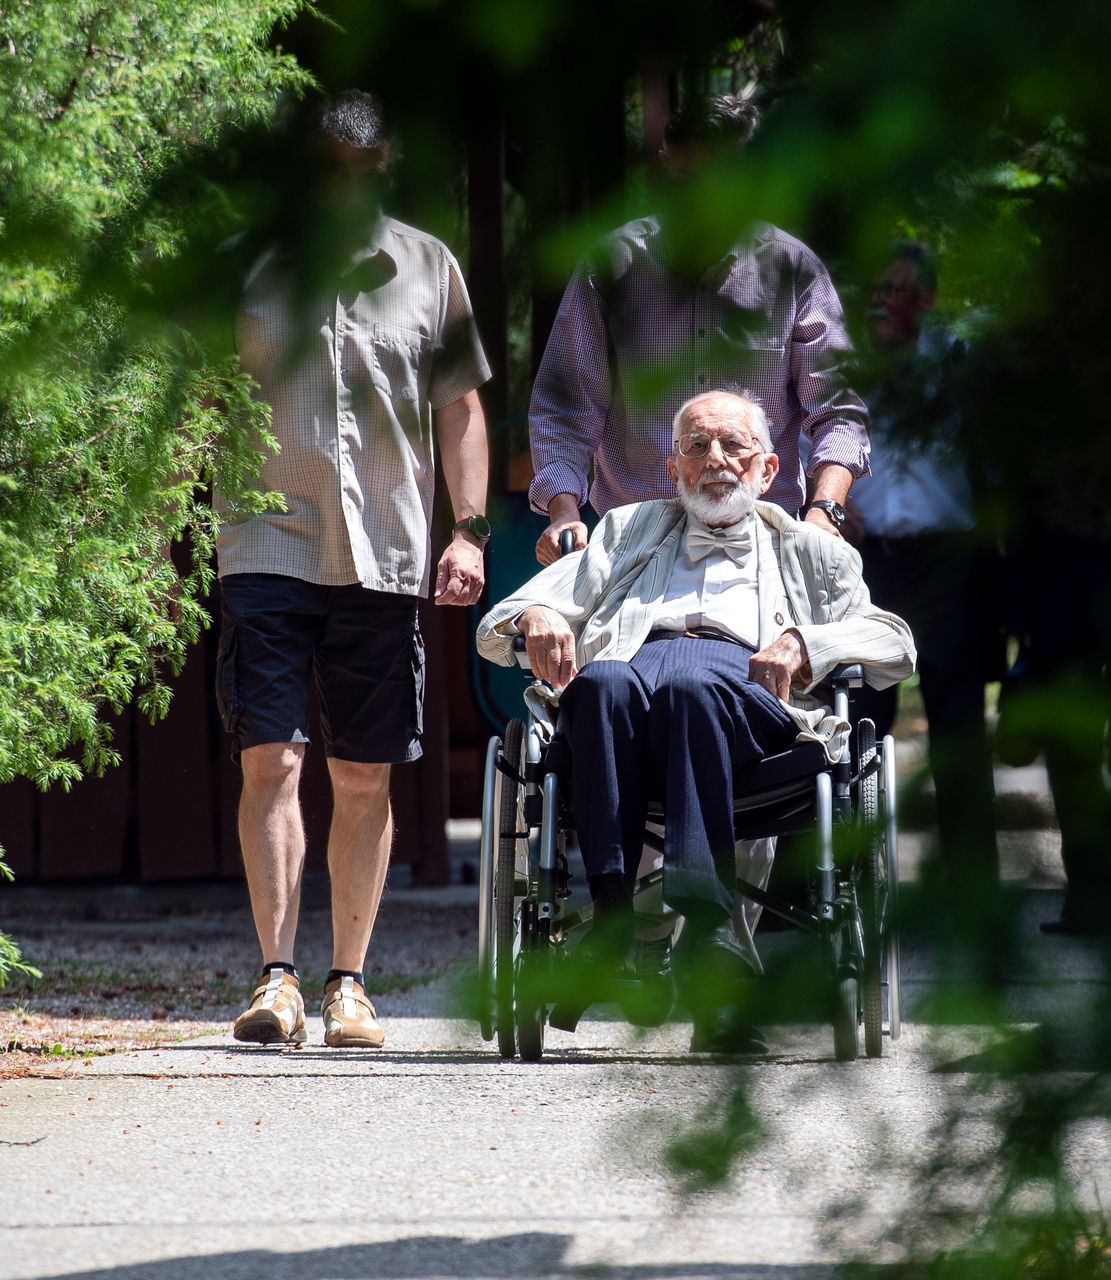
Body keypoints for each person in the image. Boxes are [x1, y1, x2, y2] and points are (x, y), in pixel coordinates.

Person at [477, 389, 915, 1052]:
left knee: (691, 684)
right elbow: (497, 624)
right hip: (631, 692)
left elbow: (896, 642)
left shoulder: (812, 551)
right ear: (674, 468)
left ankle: (710, 941)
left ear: (768, 469)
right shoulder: (628, 531)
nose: (715, 459)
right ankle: (616, 930)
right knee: (599, 682)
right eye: (697, 446)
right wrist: (537, 614)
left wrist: (806, 643)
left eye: (734, 445)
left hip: (748, 705)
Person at [217, 91, 492, 1047]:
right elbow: (196, 402)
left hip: (386, 548)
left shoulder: (429, 267)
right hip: (265, 536)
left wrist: (469, 532)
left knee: (365, 775)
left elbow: (460, 408)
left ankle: (349, 984)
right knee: (272, 757)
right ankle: (276, 979)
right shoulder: (246, 265)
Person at [527, 94, 870, 565]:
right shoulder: (611, 266)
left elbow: (837, 412)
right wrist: (564, 512)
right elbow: (565, 408)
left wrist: (824, 511)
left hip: (763, 542)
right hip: (635, 538)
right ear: (665, 164)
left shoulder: (794, 270)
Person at [846, 244, 1002, 897]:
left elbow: (996, 461)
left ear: (928, 300)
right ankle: (846, 886)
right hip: (865, 565)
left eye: (895, 291)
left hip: (949, 561)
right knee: (854, 723)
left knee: (958, 726)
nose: (879, 304)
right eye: (874, 290)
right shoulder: (845, 369)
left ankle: (972, 896)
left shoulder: (958, 366)